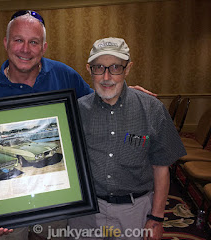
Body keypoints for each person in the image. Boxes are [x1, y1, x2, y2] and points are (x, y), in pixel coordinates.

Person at [0, 10, 156, 240]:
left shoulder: (64, 75)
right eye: (18, 40)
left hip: (57, 193)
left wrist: (125, 93)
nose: (25, 49)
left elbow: (98, 102)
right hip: (11, 199)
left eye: (34, 42)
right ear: (6, 43)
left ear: (43, 47)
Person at [67, 37, 186, 240]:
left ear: (127, 69)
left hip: (134, 211)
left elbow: (161, 167)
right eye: (98, 68)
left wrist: (157, 218)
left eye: (115, 67)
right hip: (86, 212)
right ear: (89, 70)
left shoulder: (152, 109)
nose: (106, 77)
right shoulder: (76, 110)